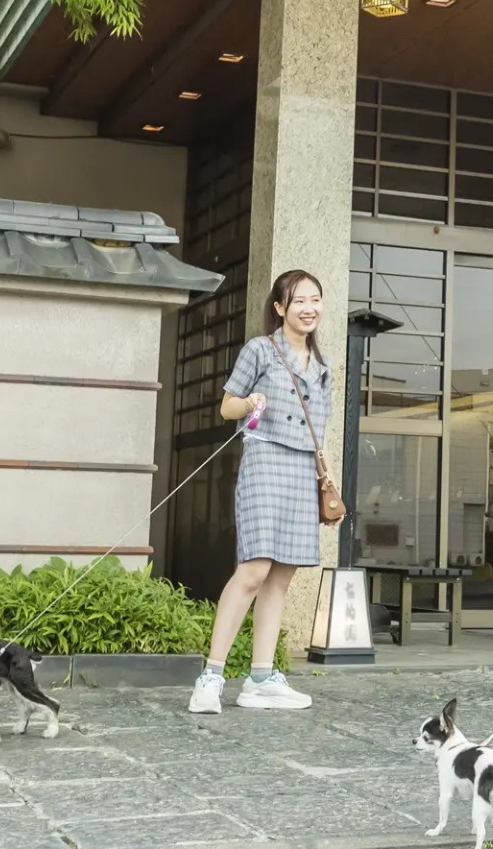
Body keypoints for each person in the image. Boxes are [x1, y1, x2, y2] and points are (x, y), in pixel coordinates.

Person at [188, 269, 332, 714]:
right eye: (299, 300)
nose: (308, 308)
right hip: (265, 462)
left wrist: (326, 478)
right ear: (280, 307)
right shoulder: (260, 350)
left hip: (302, 471)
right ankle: (210, 677)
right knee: (253, 570)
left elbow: (319, 432)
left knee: (281, 577)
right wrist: (249, 403)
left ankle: (262, 678)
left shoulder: (323, 367)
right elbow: (227, 404)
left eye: (315, 300)